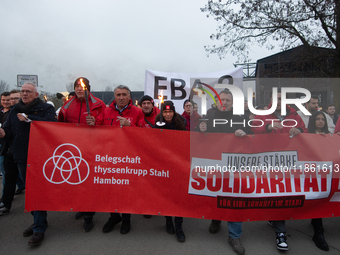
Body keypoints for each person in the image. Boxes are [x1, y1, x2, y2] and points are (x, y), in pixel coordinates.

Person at [0, 82, 57, 246]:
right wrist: (4, 134)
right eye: (22, 91)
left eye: (28, 91)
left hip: (41, 156)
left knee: (37, 191)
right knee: (30, 192)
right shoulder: (14, 111)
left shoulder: (46, 108)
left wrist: (31, 119)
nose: (24, 94)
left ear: (36, 94)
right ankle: (38, 221)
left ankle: (39, 227)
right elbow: (10, 132)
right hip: (22, 156)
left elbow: (53, 126)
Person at [251, 91, 307, 251]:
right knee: (276, 193)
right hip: (269, 160)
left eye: (282, 99)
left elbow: (306, 131)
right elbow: (255, 131)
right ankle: (280, 232)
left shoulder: (295, 115)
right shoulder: (262, 115)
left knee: (282, 193)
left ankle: (276, 221)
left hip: (290, 162)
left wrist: (300, 132)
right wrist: (268, 127)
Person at [87, 85, 144, 235]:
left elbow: (146, 134)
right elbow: (98, 125)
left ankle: (126, 219)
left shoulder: (137, 112)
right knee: (110, 188)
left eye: (124, 94)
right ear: (114, 96)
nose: (121, 97)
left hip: (128, 158)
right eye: (118, 94)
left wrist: (130, 125)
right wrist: (92, 122)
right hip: (109, 156)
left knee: (125, 189)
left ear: (129, 96)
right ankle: (114, 217)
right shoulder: (106, 111)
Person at [198, 89, 247, 255]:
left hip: (235, 166)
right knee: (216, 195)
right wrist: (200, 129)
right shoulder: (209, 117)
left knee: (235, 199)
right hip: (215, 164)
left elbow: (254, 138)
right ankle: (216, 219)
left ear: (233, 102)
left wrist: (245, 134)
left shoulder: (241, 118)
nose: (224, 102)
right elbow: (197, 139)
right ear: (216, 102)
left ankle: (234, 235)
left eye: (227, 100)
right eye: (221, 100)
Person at [58, 77, 106, 232]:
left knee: (88, 182)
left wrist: (96, 123)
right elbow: (60, 125)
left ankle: (88, 216)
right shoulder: (67, 105)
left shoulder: (98, 104)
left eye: (82, 86)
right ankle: (81, 207)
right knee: (77, 180)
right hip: (73, 150)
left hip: (91, 149)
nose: (79, 89)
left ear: (88, 88)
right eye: (76, 86)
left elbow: (105, 123)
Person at [153, 100, 187, 242]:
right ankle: (168, 221)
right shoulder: (156, 125)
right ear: (162, 113)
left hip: (177, 166)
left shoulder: (181, 125)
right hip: (163, 167)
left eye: (170, 112)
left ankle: (179, 225)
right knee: (166, 195)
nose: (167, 114)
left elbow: (186, 144)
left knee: (178, 197)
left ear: (174, 112)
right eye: (165, 112)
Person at [306, 111, 330, 251]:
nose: (320, 121)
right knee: (316, 198)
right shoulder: (305, 136)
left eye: (323, 119)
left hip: (325, 174)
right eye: (318, 119)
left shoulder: (329, 136)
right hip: (312, 174)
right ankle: (318, 232)